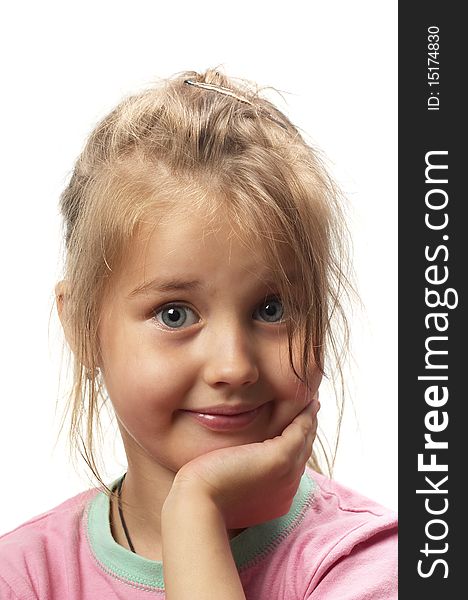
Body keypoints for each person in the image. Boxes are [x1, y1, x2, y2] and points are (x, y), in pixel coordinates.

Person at [0, 68, 397, 599]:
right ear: (82, 326)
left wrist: (195, 511)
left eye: (272, 308)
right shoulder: (24, 578)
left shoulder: (369, 563)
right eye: (174, 314)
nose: (233, 366)